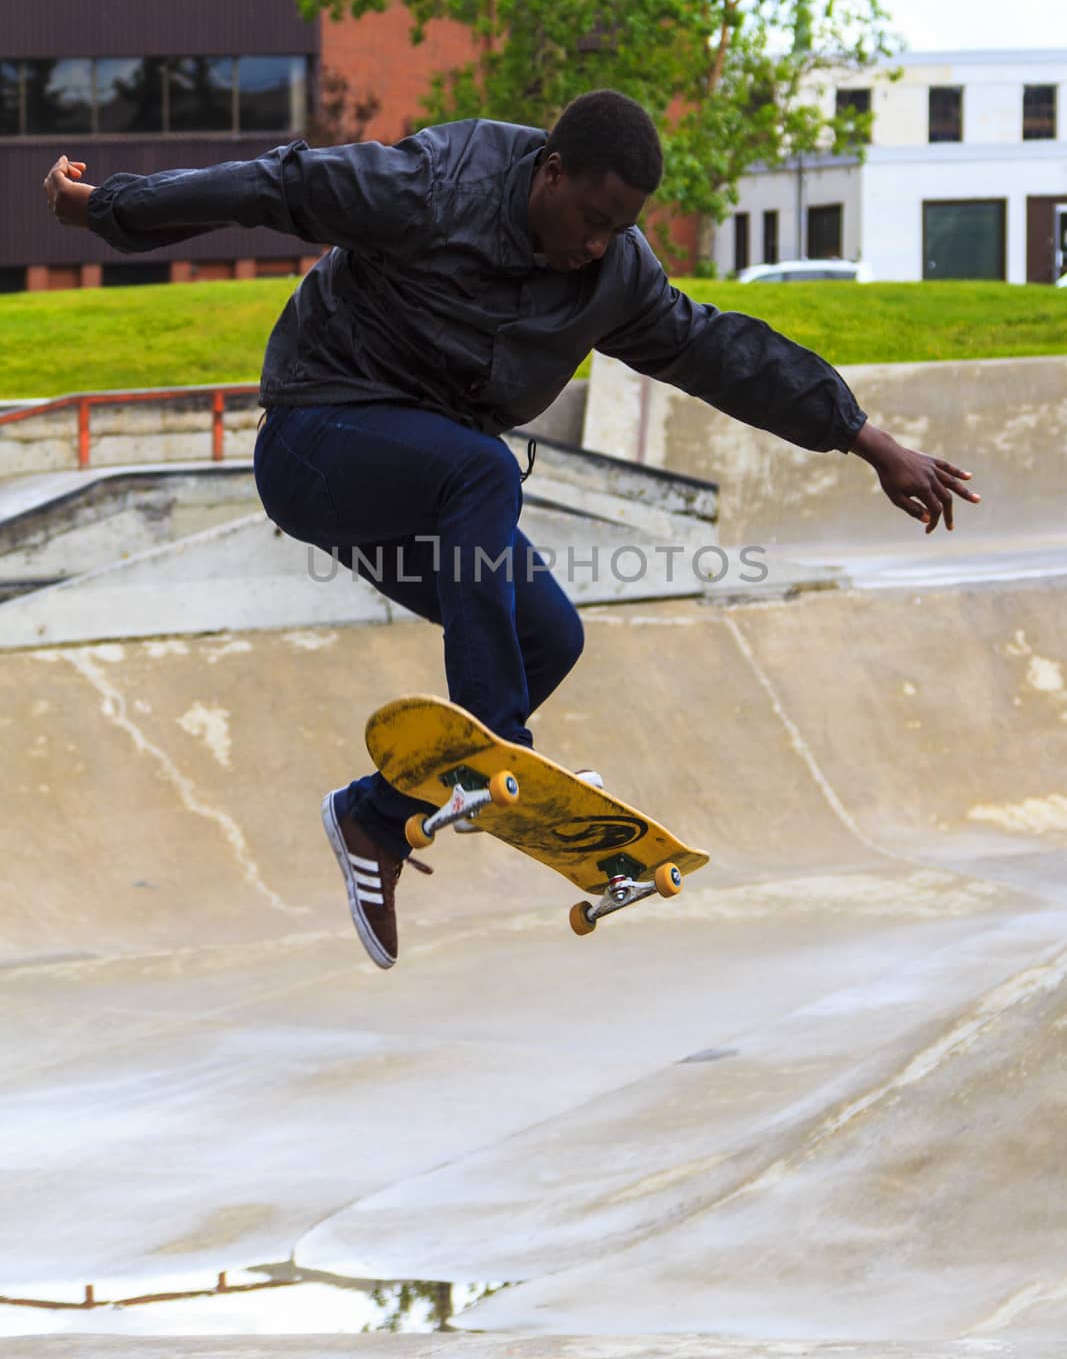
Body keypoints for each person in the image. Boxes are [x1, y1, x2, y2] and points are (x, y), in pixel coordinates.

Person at [44, 89, 979, 970]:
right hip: (315, 441)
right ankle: (493, 735)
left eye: (620, 229)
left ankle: (375, 815)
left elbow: (715, 351)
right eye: (590, 218)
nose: (597, 245)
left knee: (547, 632)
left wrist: (866, 439)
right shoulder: (431, 185)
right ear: (551, 171)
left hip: (423, 493)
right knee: (481, 466)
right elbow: (274, 185)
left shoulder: (615, 273)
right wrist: (109, 211)